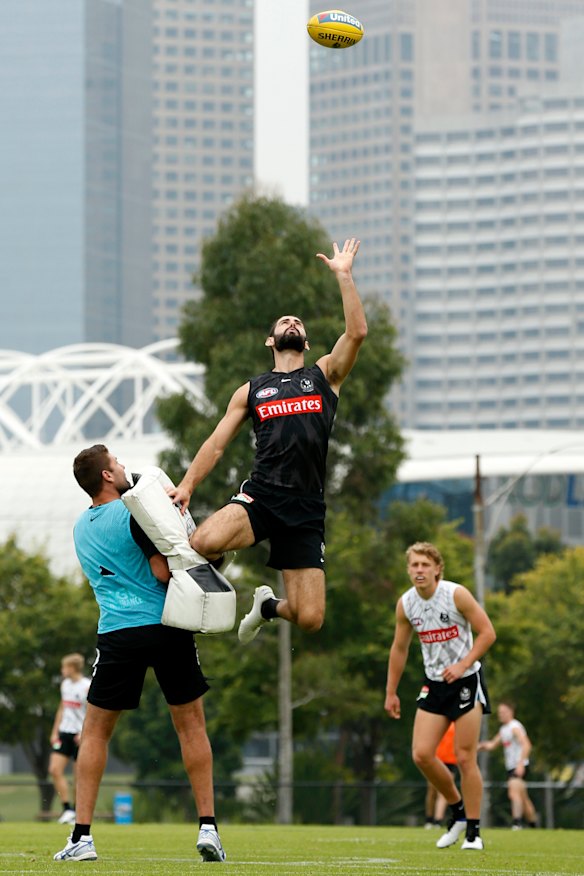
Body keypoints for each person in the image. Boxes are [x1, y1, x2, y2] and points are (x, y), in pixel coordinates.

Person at [169, 238, 367, 645]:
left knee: (310, 618)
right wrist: (188, 485)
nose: (291, 324)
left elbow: (357, 332)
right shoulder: (252, 391)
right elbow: (216, 443)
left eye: (298, 323)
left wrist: (344, 276)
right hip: (263, 495)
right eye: (284, 323)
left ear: (308, 344)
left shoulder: (324, 375)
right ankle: (217, 576)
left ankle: (267, 607)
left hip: (306, 507)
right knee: (202, 542)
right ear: (270, 341)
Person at [54, 445, 225, 863]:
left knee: (95, 734)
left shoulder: (80, 527)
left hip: (117, 633)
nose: (124, 465)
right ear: (108, 477)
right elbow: (161, 572)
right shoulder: (136, 511)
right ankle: (208, 829)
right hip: (166, 625)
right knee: (190, 727)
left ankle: (82, 837)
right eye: (117, 462)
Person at [384, 541, 496, 851]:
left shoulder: (456, 594)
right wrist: (391, 691)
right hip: (434, 684)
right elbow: (400, 648)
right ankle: (457, 810)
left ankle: (473, 832)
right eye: (414, 565)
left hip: (466, 681)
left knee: (464, 757)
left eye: (424, 565)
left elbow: (487, 632)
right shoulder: (406, 604)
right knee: (421, 754)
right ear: (408, 570)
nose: (419, 570)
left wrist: (462, 665)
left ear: (437, 569)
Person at [478, 702, 537, 829]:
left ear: (511, 712)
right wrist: (475, 747)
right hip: (511, 766)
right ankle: (533, 825)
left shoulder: (514, 726)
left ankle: (517, 823)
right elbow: (492, 745)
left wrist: (520, 764)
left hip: (519, 766)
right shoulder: (504, 729)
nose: (501, 715)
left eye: (503, 712)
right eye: (499, 712)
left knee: (513, 793)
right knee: (523, 798)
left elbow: (527, 745)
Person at [49, 653, 91, 825]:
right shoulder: (65, 684)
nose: (62, 670)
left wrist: (84, 733)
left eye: (64, 667)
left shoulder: (86, 686)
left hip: (80, 735)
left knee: (78, 776)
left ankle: (76, 811)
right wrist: (55, 731)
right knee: (54, 770)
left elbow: (92, 712)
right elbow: (62, 708)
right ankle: (67, 809)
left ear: (72, 668)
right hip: (64, 733)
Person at [424, 721, 457, 828]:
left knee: (444, 791)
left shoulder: (457, 723)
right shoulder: (437, 720)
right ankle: (429, 819)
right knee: (432, 791)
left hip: (451, 762)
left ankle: (437, 821)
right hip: (436, 759)